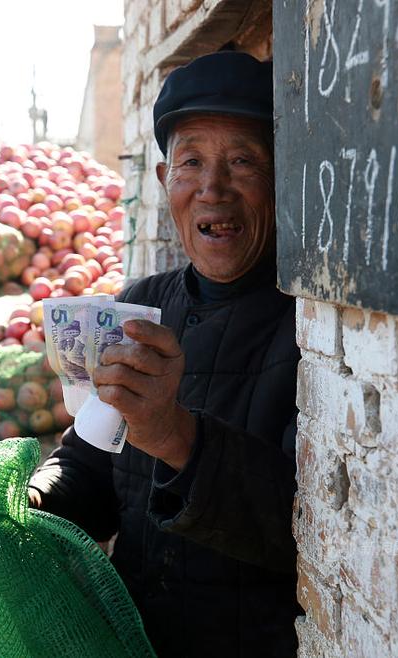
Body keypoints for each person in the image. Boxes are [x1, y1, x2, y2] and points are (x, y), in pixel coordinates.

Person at [28, 51, 301, 657]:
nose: (213, 189)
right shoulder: (138, 308)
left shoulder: (313, 330)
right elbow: (90, 460)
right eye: (192, 163)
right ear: (162, 182)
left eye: (242, 161)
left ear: (282, 174)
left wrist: (175, 436)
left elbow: (307, 526)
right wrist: (34, 503)